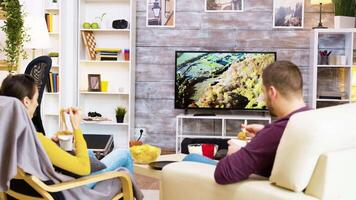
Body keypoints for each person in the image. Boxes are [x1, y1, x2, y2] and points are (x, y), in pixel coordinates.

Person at [183, 60, 309, 184]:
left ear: (272, 92)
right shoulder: (310, 117)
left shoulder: (276, 131)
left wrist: (235, 153)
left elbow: (223, 173)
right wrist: (264, 132)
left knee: (190, 158)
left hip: (255, 188)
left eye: (263, 93)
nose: (264, 99)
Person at [0, 74, 133, 181]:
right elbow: (84, 169)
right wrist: (76, 127)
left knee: (89, 154)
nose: (37, 103)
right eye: (36, 98)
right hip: (68, 190)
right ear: (26, 101)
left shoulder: (7, 137)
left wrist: (50, 144)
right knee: (125, 154)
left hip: (34, 190)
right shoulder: (36, 140)